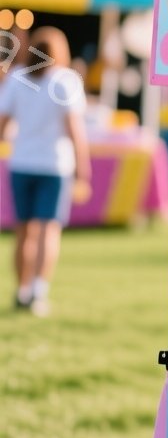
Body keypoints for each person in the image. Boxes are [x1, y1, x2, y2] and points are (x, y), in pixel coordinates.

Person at [0, 27, 90, 316]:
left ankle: (22, 288)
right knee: (47, 231)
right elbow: (76, 131)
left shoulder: (16, 79)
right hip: (55, 165)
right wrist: (83, 170)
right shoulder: (65, 82)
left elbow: (2, 123)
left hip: (22, 163)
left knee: (23, 231)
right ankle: (38, 289)